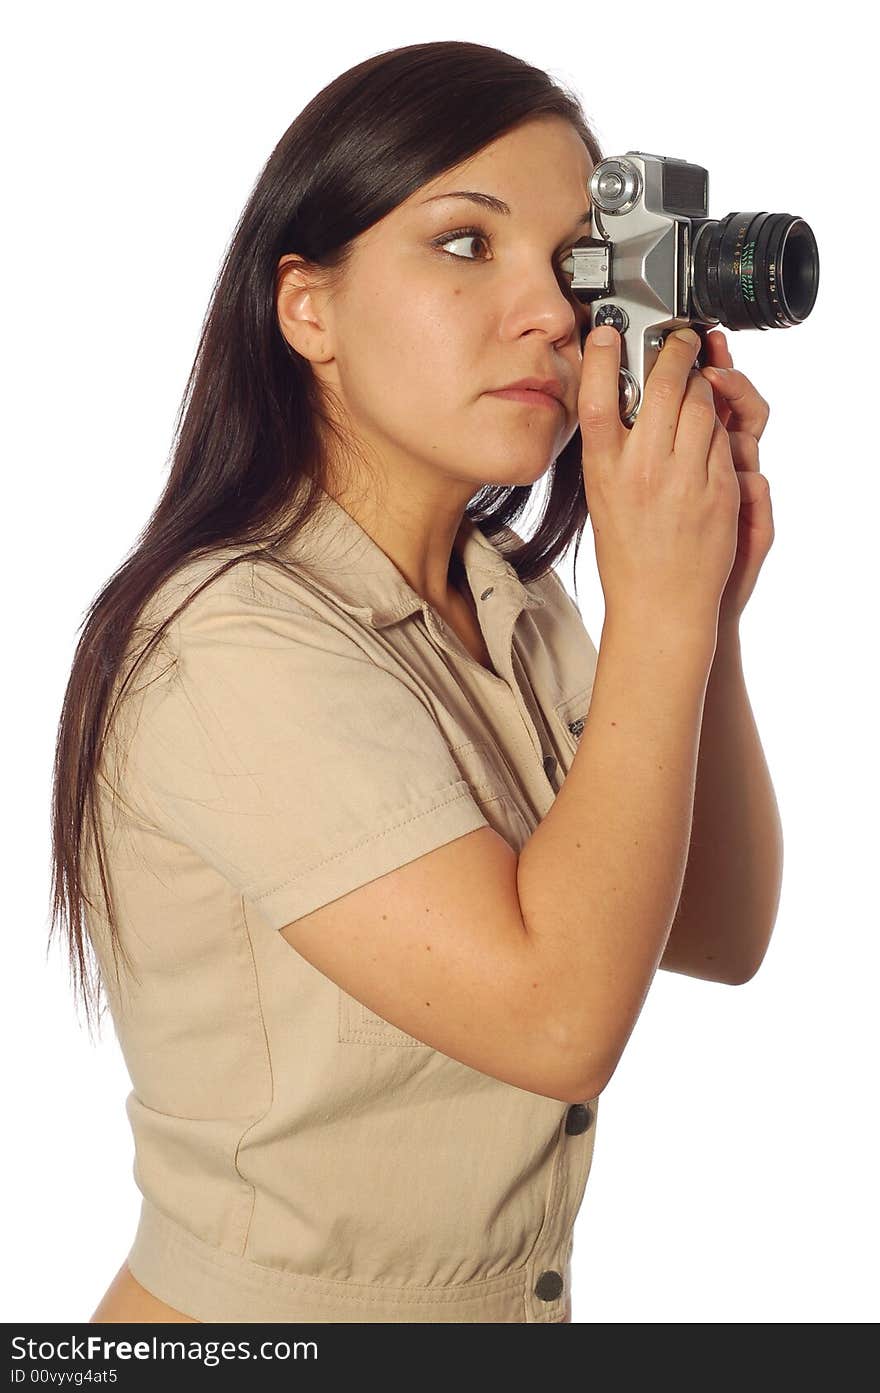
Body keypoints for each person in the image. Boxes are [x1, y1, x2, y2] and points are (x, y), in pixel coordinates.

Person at [51, 40, 783, 1325]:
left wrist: (702, 616)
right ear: (306, 308)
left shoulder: (511, 600)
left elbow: (714, 932)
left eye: (570, 265)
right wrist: (656, 614)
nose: (551, 314)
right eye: (463, 243)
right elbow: (558, 1021)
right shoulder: (224, 640)